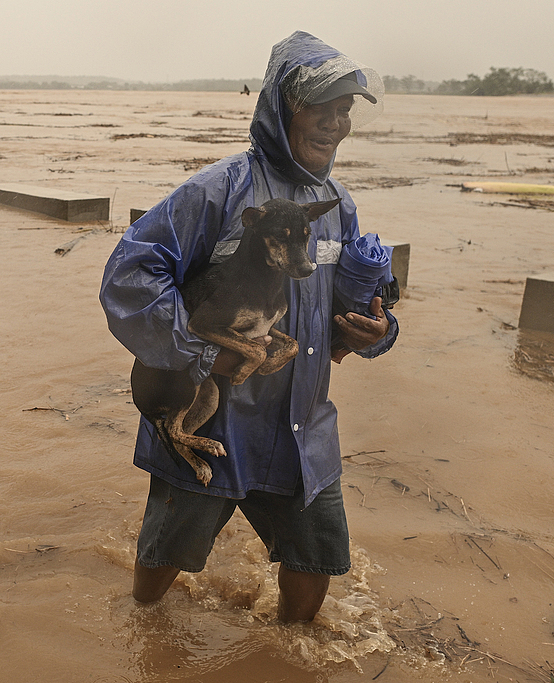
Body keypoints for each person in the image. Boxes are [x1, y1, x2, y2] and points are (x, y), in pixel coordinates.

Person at [99, 31, 398, 623]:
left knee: (317, 559)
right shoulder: (220, 191)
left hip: (303, 425)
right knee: (165, 559)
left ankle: (292, 649)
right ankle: (142, 636)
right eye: (321, 108)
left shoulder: (336, 207)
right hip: (219, 416)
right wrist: (199, 355)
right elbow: (129, 279)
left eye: (345, 111)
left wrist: (371, 333)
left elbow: (340, 308)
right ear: (281, 108)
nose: (335, 124)